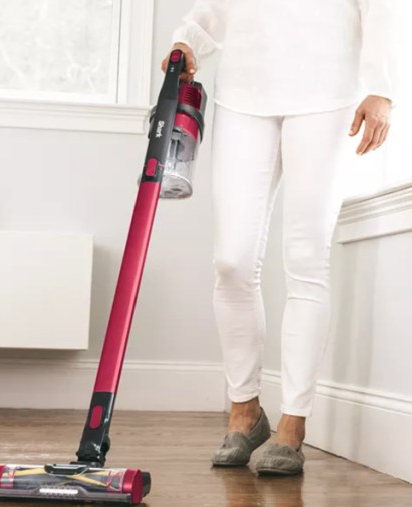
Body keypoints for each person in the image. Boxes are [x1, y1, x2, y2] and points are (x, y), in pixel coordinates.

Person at [164, 0, 399, 476]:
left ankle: (293, 425)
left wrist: (381, 88)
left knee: (306, 256)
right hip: (245, 88)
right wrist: (190, 37)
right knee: (231, 261)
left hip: (327, 90)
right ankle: (244, 410)